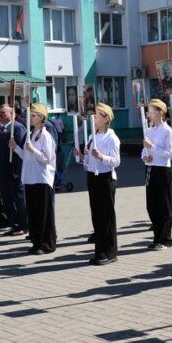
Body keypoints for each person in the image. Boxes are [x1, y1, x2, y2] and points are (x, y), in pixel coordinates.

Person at [74, 103, 121, 265]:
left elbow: (116, 161)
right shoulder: (91, 137)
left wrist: (101, 156)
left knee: (106, 217)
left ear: (106, 118)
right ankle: (100, 251)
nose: (93, 118)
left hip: (106, 179)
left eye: (97, 115)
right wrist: (81, 157)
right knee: (97, 216)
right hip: (92, 177)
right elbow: (88, 162)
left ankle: (110, 252)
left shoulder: (112, 138)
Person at [11, 102, 56, 254]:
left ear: (42, 118)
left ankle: (46, 244)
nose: (31, 117)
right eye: (30, 115)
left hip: (42, 179)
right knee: (34, 212)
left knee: (43, 213)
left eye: (34, 115)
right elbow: (26, 156)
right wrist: (16, 147)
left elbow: (47, 158)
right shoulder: (31, 134)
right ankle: (36, 242)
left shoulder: (46, 136)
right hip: (30, 178)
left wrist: (33, 149)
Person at [141, 98, 172, 250]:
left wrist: (152, 148)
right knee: (152, 205)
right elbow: (144, 150)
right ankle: (157, 236)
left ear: (160, 113)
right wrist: (145, 156)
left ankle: (166, 238)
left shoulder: (168, 131)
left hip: (162, 170)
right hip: (150, 169)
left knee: (164, 205)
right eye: (148, 111)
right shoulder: (149, 130)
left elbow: (170, 153)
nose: (149, 114)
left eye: (151, 111)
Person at [0, 105, 27, 237]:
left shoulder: (17, 128)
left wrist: (17, 170)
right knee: (7, 200)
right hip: (2, 172)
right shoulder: (2, 129)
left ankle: (23, 225)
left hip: (13, 172)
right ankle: (14, 224)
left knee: (18, 199)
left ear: (12, 113)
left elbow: (19, 151)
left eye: (3, 113)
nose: (0, 115)